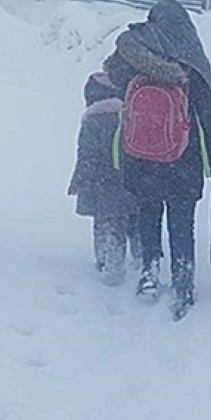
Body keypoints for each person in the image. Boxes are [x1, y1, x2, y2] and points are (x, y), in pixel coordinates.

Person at [102, 0, 211, 320]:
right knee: (181, 221)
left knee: (148, 214)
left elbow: (110, 73)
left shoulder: (136, 55)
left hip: (141, 157)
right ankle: (183, 282)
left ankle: (149, 272)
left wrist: (137, 54)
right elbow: (208, 117)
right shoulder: (192, 62)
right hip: (184, 161)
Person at [68, 72, 141, 285]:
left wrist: (78, 179)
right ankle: (142, 261)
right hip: (132, 180)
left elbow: (86, 155)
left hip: (103, 184)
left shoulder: (92, 119)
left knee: (107, 225)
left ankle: (109, 267)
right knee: (135, 223)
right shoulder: (129, 114)